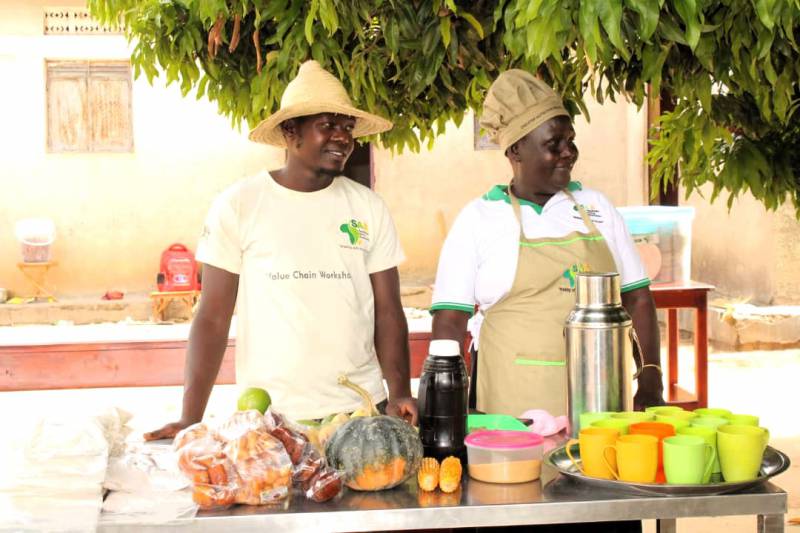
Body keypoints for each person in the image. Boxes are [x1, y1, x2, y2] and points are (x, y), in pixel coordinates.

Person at [145, 60, 417, 440]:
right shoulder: (239, 205)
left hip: (360, 411)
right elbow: (212, 318)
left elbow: (388, 311)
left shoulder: (367, 207)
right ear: (291, 132)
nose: (342, 137)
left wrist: (399, 391)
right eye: (327, 125)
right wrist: (191, 417)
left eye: (347, 128)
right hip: (273, 418)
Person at [431, 69, 664, 420]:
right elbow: (450, 322)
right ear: (516, 151)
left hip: (601, 402)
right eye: (553, 145)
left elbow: (637, 299)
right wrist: (446, 408)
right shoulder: (478, 220)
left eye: (570, 141)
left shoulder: (597, 207)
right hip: (511, 404)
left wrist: (650, 379)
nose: (568, 153)